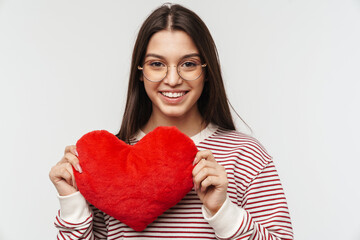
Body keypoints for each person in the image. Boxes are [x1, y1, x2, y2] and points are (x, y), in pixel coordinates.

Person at [49, 3, 293, 239]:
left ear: (206, 72)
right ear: (141, 71)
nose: (173, 79)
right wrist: (71, 202)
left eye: (188, 64)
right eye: (157, 64)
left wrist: (223, 212)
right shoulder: (105, 162)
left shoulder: (245, 155)